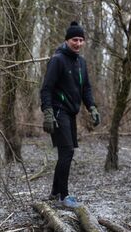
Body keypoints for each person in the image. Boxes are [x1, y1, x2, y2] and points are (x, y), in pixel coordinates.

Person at [40, 21, 100, 208]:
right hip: (58, 111)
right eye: (75, 39)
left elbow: (86, 89)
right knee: (67, 152)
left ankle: (54, 193)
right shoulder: (57, 59)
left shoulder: (81, 62)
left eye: (81, 40)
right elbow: (46, 89)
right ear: (67, 40)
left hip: (71, 112)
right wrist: (48, 113)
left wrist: (92, 107)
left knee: (64, 153)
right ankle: (64, 197)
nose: (78, 43)